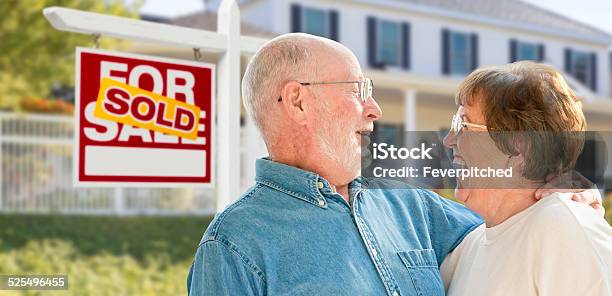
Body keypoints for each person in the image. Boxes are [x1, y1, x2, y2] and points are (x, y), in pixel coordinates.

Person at [187, 34, 601, 295]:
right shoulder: (233, 248)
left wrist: (560, 184)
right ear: (298, 100)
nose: (375, 109)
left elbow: (514, 225)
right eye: (358, 90)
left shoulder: (413, 208)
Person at [441, 61, 612, 295]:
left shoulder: (562, 227)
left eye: (464, 125)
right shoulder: (467, 248)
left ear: (518, 148)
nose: (449, 140)